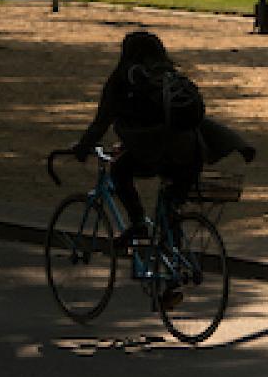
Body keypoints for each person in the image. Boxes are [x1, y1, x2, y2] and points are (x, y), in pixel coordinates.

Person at [71, 31, 254, 267]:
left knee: (120, 170)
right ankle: (173, 261)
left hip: (157, 151)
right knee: (170, 203)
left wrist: (83, 147)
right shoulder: (170, 76)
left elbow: (102, 122)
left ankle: (138, 224)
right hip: (192, 152)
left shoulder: (123, 79)